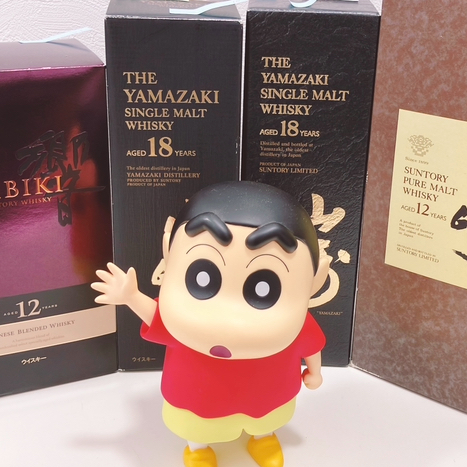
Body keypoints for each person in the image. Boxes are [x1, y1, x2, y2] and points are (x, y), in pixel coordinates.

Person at [92, 181, 331, 467]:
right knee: (197, 427)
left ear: (315, 279)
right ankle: (198, 449)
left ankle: (263, 437)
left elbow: (310, 346)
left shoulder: (297, 322)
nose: (227, 319)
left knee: (266, 419)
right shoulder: (178, 319)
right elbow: (157, 317)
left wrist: (315, 373)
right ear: (168, 252)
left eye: (265, 288)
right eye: (201, 278)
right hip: (198, 396)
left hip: (268, 393)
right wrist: (131, 297)